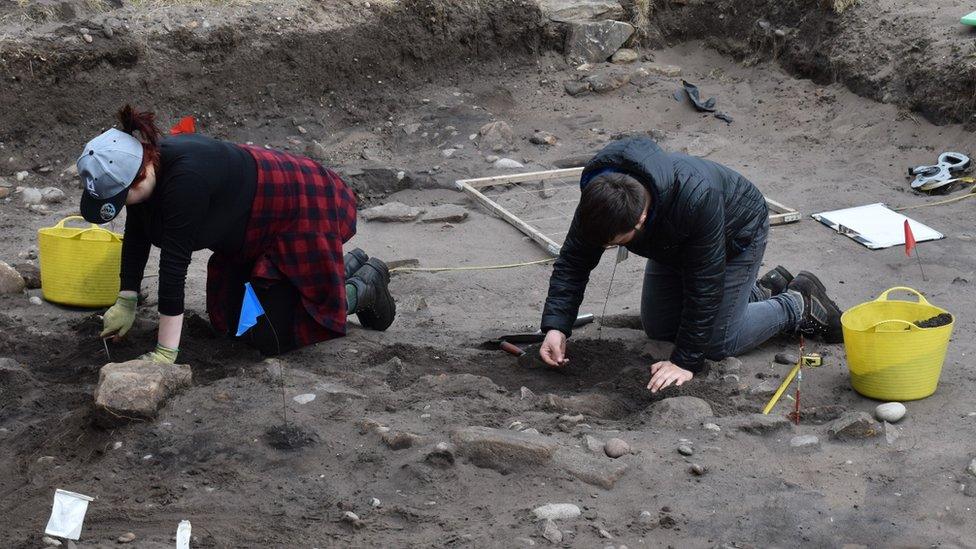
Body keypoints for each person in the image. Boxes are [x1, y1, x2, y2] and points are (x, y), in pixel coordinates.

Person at [78, 105, 396, 363]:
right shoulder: (144, 173)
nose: (122, 207)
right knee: (233, 325)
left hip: (299, 207)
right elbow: (137, 235)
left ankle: (359, 289)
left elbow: (173, 267)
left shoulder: (184, 183)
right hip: (248, 230)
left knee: (272, 336)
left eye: (120, 198)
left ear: (140, 174)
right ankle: (340, 268)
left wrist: (165, 353)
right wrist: (126, 299)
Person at [538, 137, 843, 392]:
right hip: (671, 243)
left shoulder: (696, 198)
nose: (607, 248)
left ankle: (798, 304)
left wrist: (685, 362)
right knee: (659, 328)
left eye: (616, 242)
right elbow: (573, 261)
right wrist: (556, 327)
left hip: (735, 234)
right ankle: (763, 291)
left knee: (716, 342)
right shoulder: (600, 196)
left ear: (641, 219)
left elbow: (704, 284)